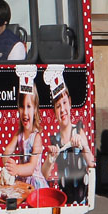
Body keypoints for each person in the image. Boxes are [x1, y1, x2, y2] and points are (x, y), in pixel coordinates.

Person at [43, 68, 95, 204]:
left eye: (64, 103)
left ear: (70, 103)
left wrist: (83, 145)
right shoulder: (54, 140)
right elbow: (44, 174)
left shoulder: (78, 130)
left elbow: (91, 162)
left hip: (81, 199)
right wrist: (50, 159)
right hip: (64, 200)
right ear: (54, 112)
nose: (62, 110)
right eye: (58, 106)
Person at [3, 84, 47, 189]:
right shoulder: (19, 135)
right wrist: (9, 165)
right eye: (22, 107)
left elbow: (31, 168)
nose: (25, 112)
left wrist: (17, 169)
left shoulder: (36, 138)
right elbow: (6, 152)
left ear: (35, 109)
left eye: (29, 106)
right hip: (22, 183)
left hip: (35, 186)